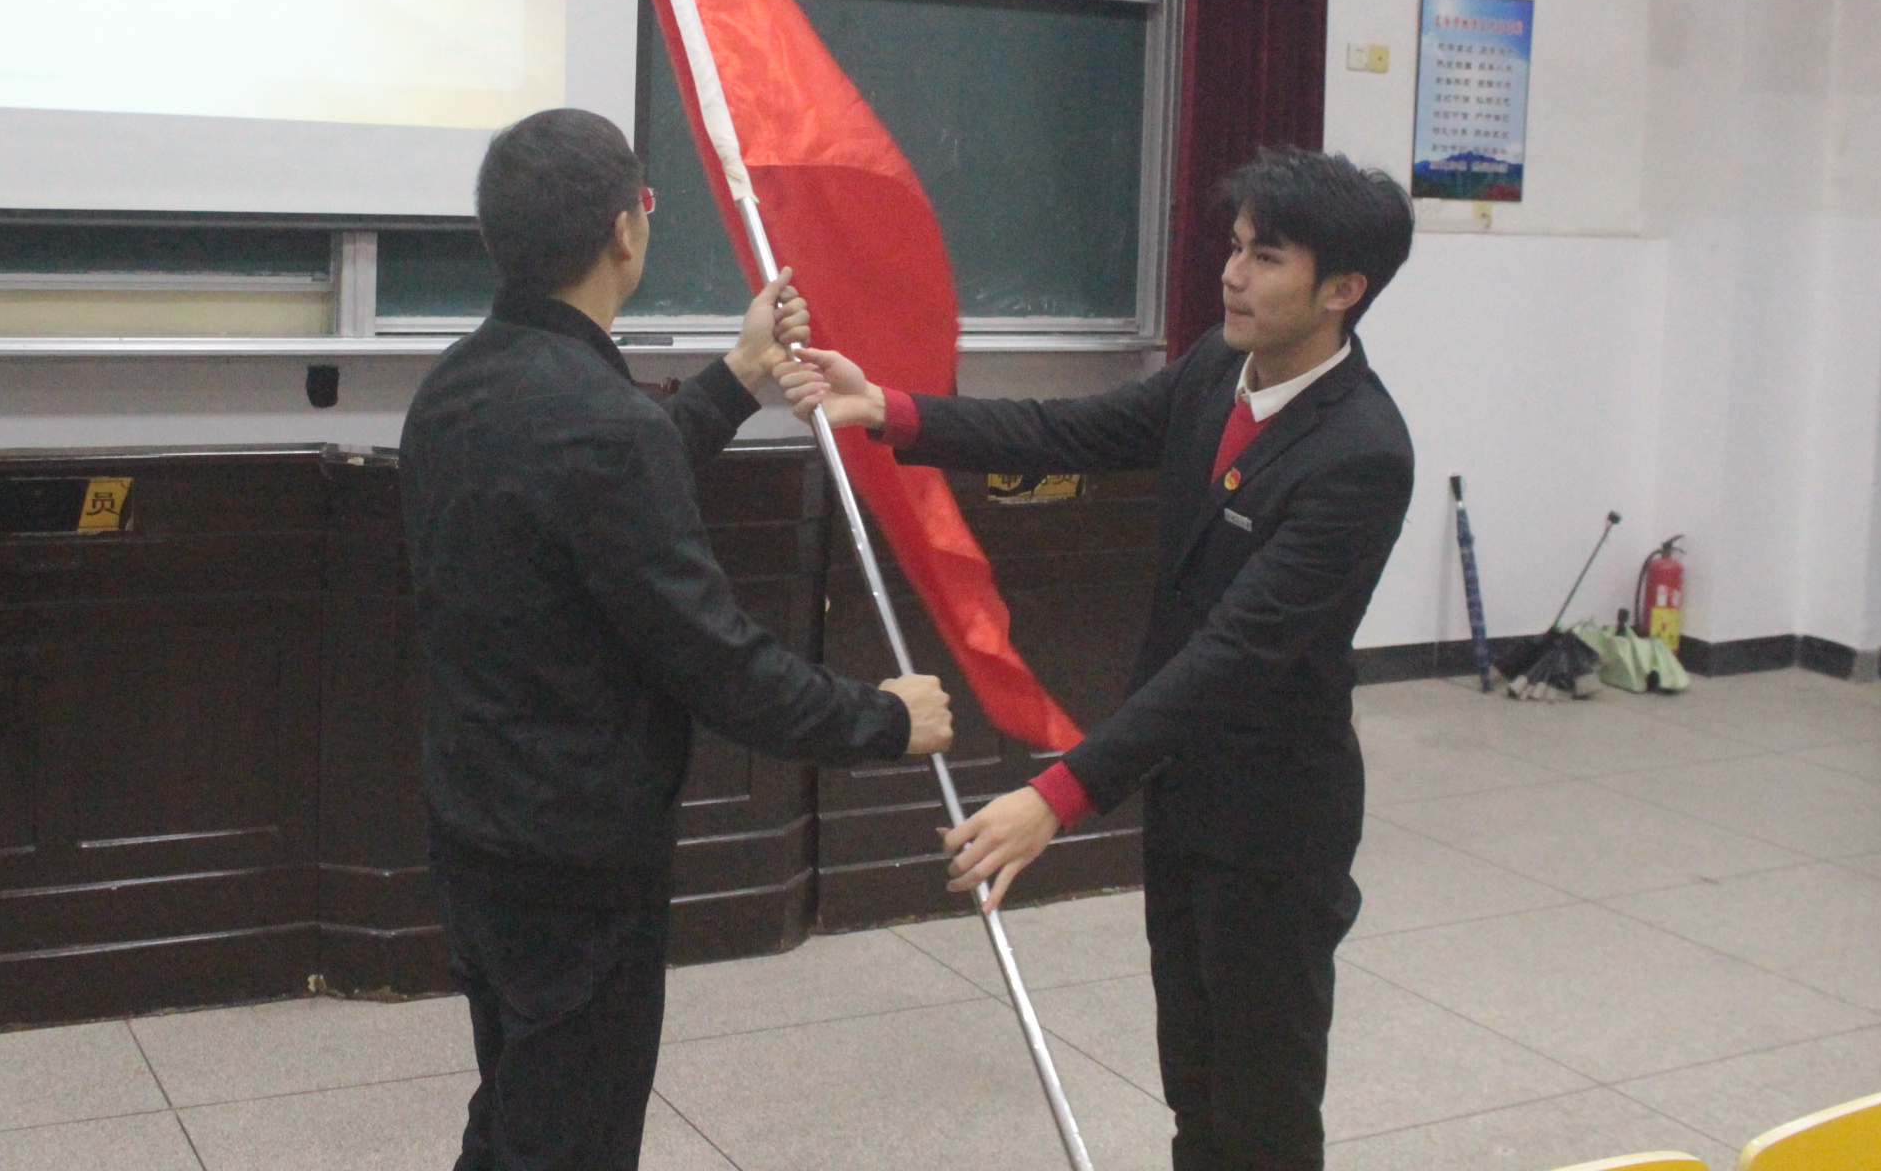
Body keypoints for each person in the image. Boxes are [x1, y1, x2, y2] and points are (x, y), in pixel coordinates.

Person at [780, 146, 1415, 1171]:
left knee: (1263, 1098)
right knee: (1193, 1073)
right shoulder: (1215, 367)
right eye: (1234, 246)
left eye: (1267, 258)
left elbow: (1237, 653)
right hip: (1185, 788)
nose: (1232, 275)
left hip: (1277, 816)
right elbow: (1068, 432)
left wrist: (1058, 796)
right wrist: (889, 408)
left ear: (1343, 290)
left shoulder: (1362, 454)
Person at [400, 108, 953, 1171]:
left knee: (518, 1103)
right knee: (570, 1136)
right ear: (625, 231)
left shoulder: (456, 386)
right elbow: (719, 662)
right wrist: (882, 720)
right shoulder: (599, 425)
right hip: (578, 854)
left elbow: (596, 492)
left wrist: (739, 373)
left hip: (475, 823)